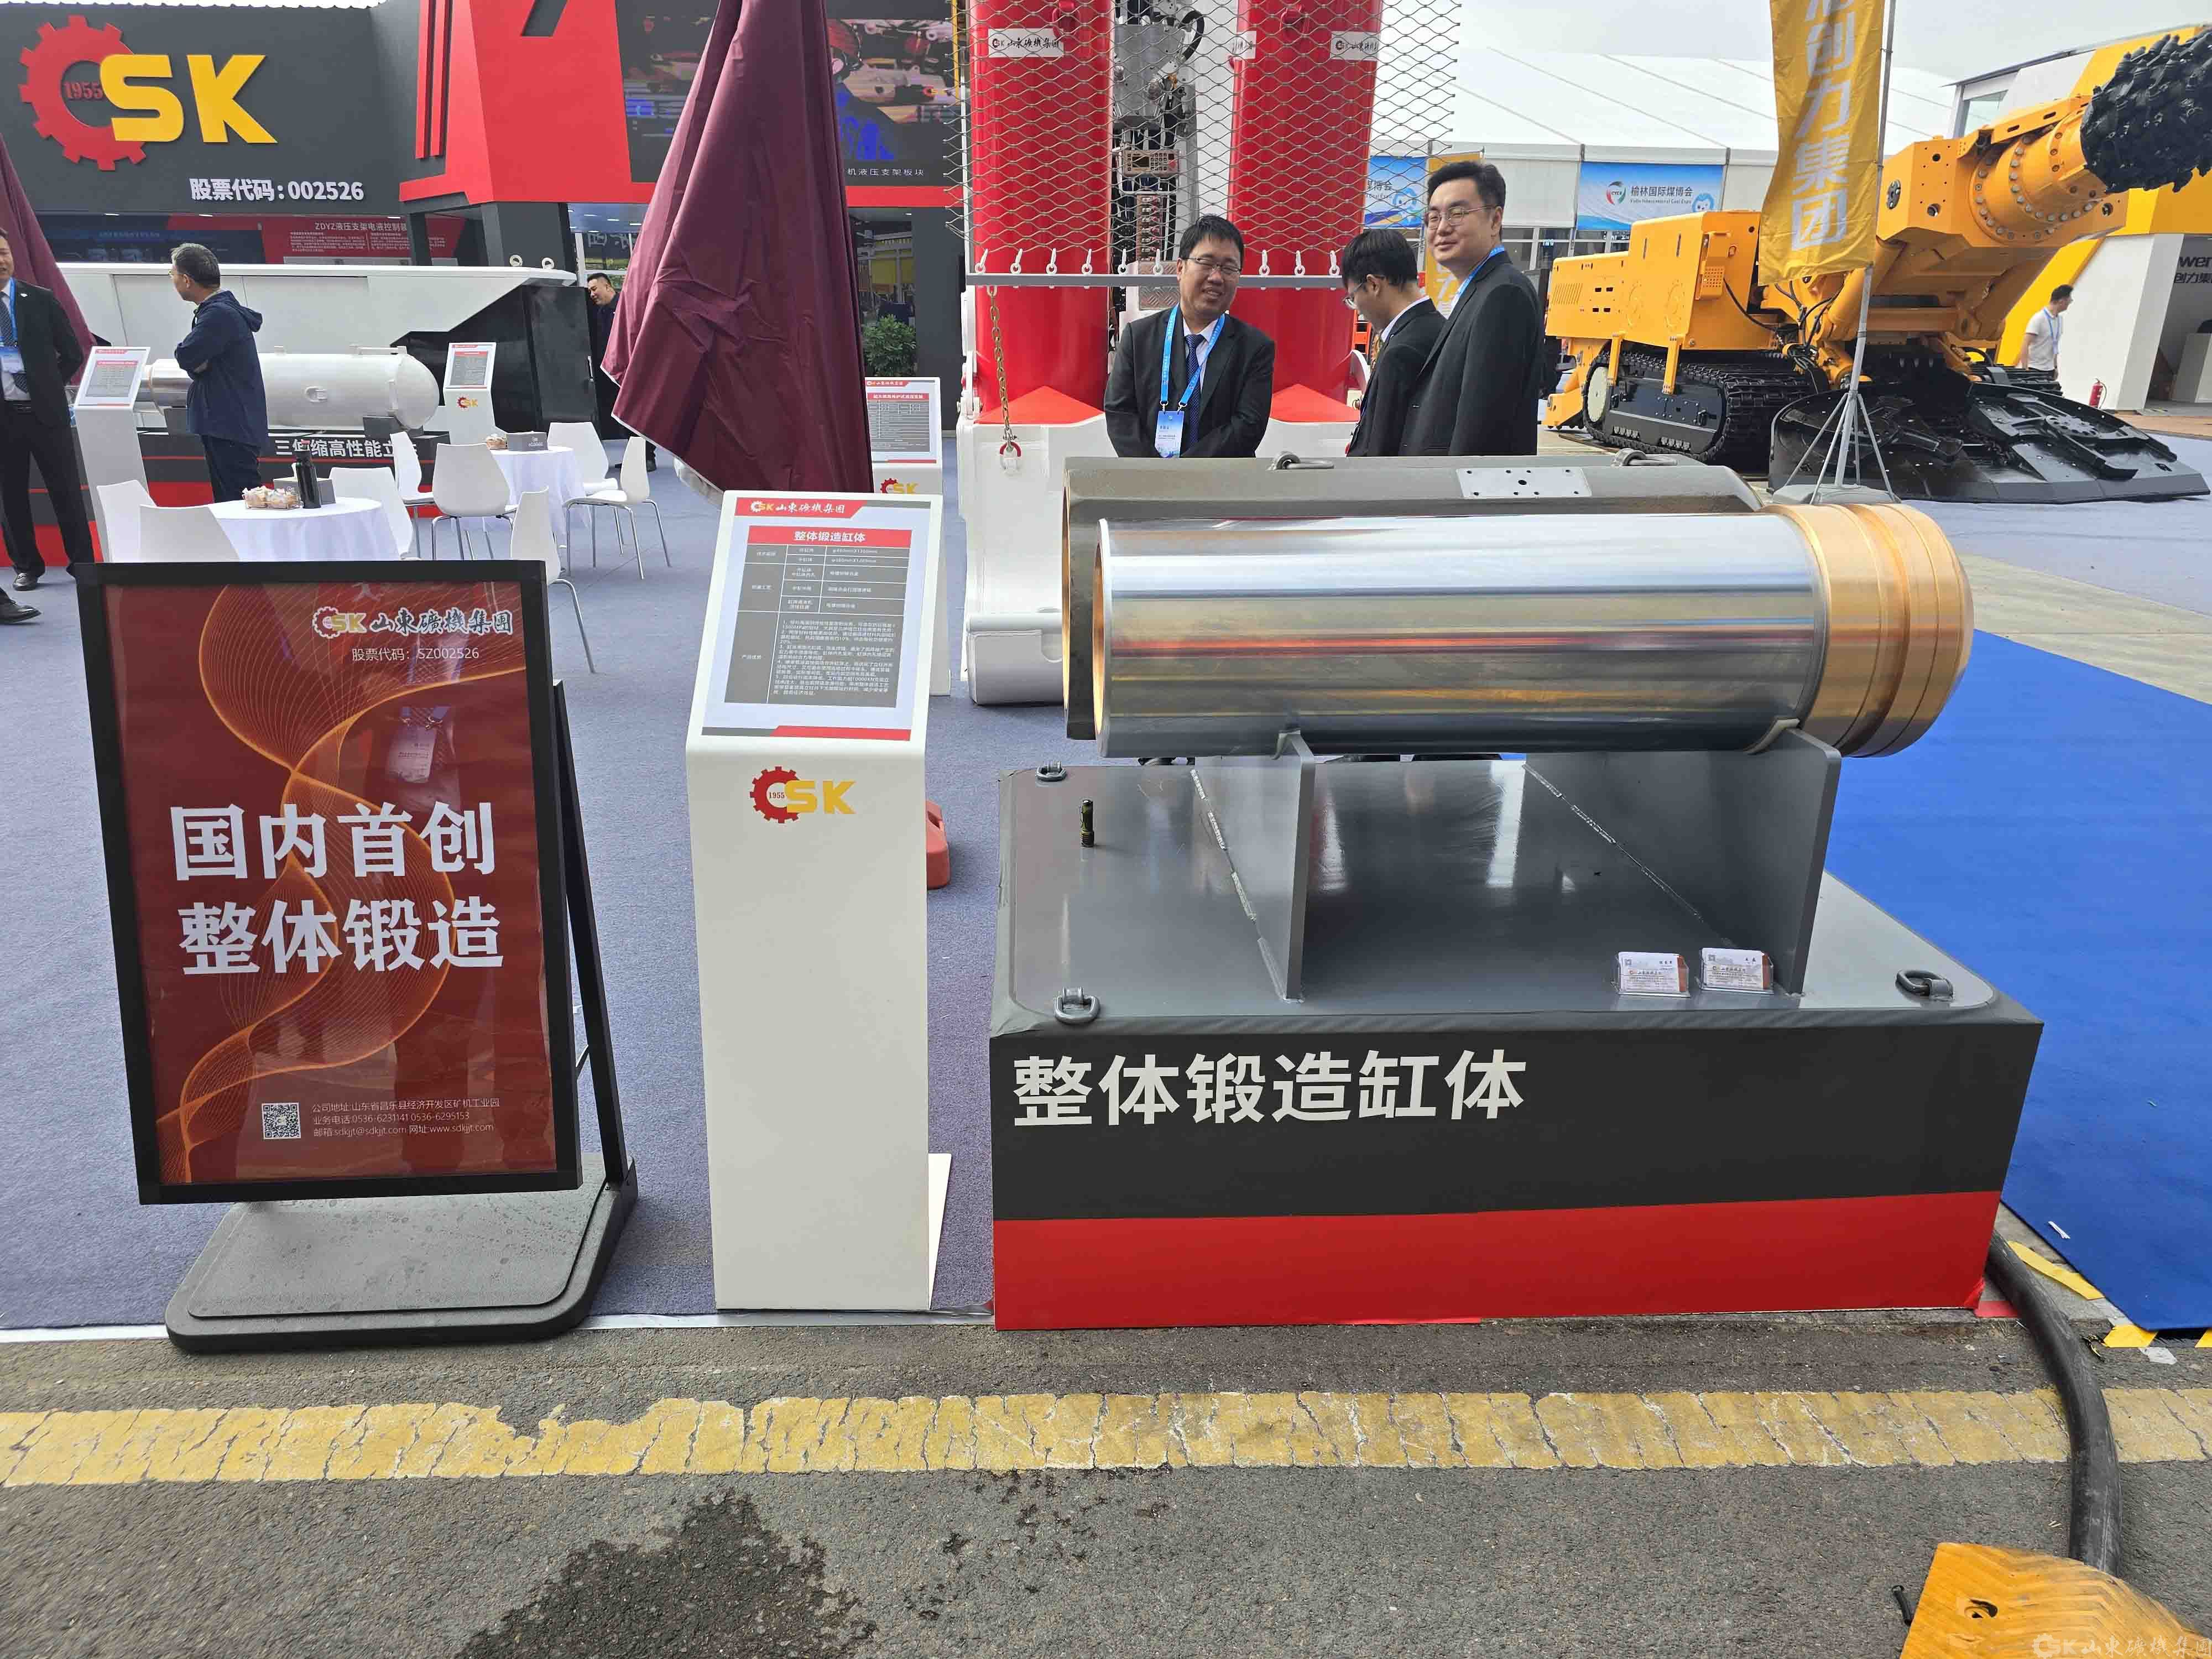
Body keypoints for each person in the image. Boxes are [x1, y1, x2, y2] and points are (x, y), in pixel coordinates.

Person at [1400, 161, 1547, 457]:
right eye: (1434, 217)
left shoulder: (1503, 294)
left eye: (1457, 214)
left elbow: (1482, 428)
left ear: (1495, 220)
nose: (1442, 228)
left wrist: (1454, 485)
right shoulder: (1479, 291)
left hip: (1462, 483)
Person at [1103, 215, 1275, 460]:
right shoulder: (1138, 338)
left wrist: (1186, 471)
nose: (1216, 277)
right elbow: (1120, 413)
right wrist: (1155, 472)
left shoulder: (1254, 348)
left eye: (1229, 268)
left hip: (1222, 477)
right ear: (1180, 269)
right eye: (1206, 263)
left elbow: (1248, 426)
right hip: (1148, 478)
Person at [1, 227, 93, 602]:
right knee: (10, 496)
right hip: (4, 417)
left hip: (46, 414)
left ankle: (82, 563)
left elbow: (72, 352)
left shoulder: (39, 299)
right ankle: (27, 566)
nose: (2, 261)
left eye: (4, 252)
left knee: (66, 490)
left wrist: (48, 385)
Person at [169, 243, 269, 503]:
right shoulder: (221, 311)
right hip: (229, 423)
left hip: (228, 424)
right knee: (235, 500)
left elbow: (186, 355)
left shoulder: (218, 315)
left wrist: (197, 363)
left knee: (239, 501)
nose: (173, 281)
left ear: (187, 280)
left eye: (173, 274)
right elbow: (196, 361)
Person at [1341, 227, 1445, 458]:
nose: (1357, 309)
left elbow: (1381, 450)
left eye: (1353, 298)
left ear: (1373, 285)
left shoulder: (1401, 351)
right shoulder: (1443, 329)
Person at [586, 273, 622, 438]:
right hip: (609, 373)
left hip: (626, 371)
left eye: (594, 289)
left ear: (607, 286)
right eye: (590, 291)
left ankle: (644, 452)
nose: (592, 294)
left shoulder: (624, 306)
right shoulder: (600, 312)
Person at [2016, 283, 2072, 376]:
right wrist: (2025, 369)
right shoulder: (2039, 318)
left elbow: (2054, 344)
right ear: (2061, 301)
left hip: (2050, 370)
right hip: (2034, 369)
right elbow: (2025, 344)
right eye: (2069, 301)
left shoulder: (2059, 320)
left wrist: (2055, 367)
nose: (2069, 304)